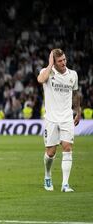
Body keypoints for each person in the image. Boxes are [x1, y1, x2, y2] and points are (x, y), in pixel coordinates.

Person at [37, 48, 81, 192]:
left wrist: (78, 111)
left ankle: (65, 184)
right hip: (51, 119)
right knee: (51, 152)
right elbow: (40, 80)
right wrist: (50, 64)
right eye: (60, 61)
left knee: (67, 148)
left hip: (67, 117)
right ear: (54, 62)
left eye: (64, 59)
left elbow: (75, 94)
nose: (63, 62)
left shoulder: (73, 75)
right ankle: (48, 176)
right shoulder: (47, 72)